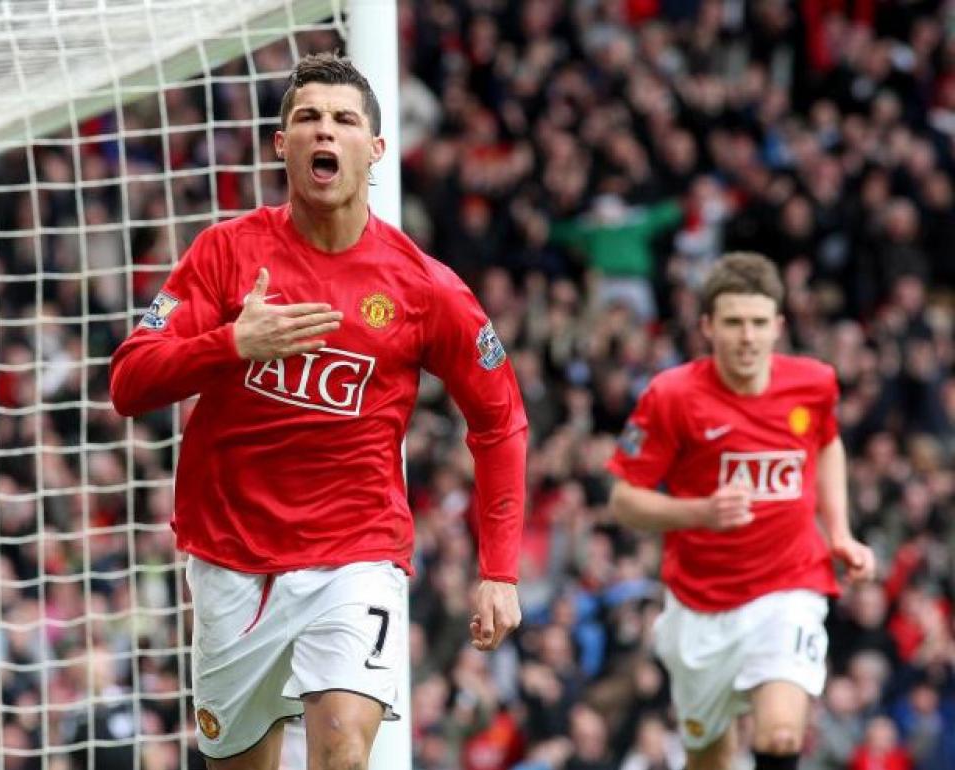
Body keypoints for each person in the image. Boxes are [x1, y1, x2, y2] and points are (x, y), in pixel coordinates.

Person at [109, 52, 527, 770]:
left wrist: (501, 569)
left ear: (376, 149)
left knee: (341, 750)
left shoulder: (425, 288)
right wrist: (232, 343)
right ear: (282, 144)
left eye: (343, 120)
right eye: (307, 118)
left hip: (354, 552)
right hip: (230, 553)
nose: (323, 131)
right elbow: (129, 381)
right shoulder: (225, 254)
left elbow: (500, 420)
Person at [606, 252, 876, 770]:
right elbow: (624, 501)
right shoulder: (671, 396)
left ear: (778, 326)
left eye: (758, 323)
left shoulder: (814, 384)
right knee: (709, 758)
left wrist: (839, 532)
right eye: (733, 323)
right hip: (700, 604)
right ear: (707, 326)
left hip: (789, 585)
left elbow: (826, 444)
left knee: (778, 734)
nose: (747, 337)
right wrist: (702, 513)